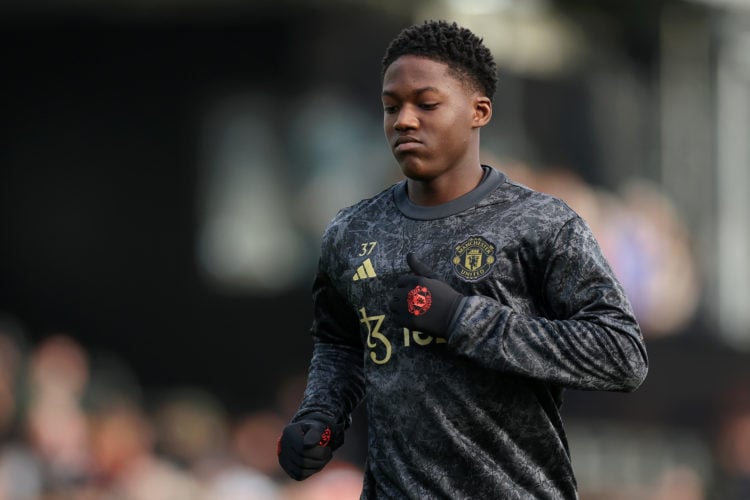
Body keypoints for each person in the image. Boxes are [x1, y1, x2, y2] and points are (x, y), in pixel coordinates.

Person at [277, 19, 648, 499]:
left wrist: (462, 318)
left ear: (479, 110)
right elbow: (341, 343)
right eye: (392, 107)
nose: (404, 120)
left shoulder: (540, 224)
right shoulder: (352, 232)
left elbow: (622, 355)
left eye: (427, 104)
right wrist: (320, 417)